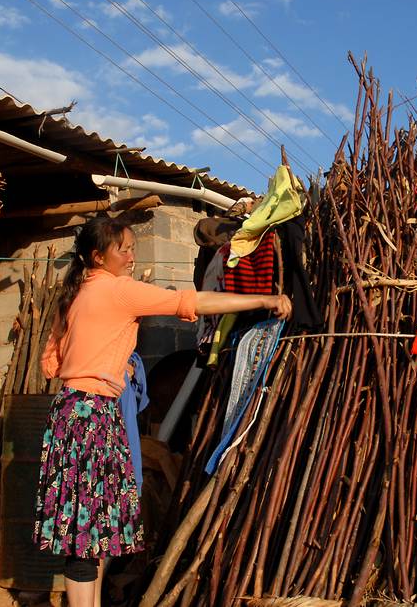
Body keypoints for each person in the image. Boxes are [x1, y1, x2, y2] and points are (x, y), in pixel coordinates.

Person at [32, 216, 291, 607]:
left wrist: (110, 356)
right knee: (87, 541)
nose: (132, 256)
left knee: (93, 533)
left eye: (133, 247)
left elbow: (49, 365)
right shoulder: (118, 290)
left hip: (71, 414)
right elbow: (192, 303)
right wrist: (264, 299)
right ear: (99, 256)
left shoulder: (74, 295)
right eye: (125, 250)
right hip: (93, 417)